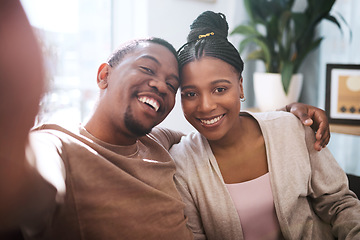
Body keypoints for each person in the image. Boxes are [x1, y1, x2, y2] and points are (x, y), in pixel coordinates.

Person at [0, 2, 331, 239]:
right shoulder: (58, 142)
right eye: (146, 69)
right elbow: (35, 178)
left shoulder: (161, 141)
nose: (161, 85)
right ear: (104, 75)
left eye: (173, 86)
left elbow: (221, 124)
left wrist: (288, 113)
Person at [170, 11, 360, 240]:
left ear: (240, 86)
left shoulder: (293, 129)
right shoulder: (181, 163)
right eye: (190, 93)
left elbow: (340, 205)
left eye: (220, 89)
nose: (206, 105)